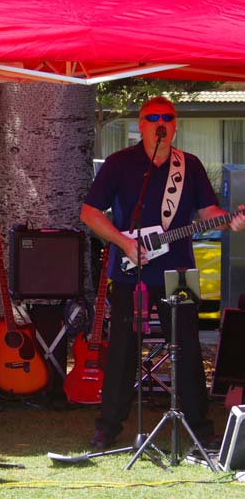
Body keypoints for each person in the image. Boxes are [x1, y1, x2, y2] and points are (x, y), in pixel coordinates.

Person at [81, 96, 245, 450]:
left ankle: (200, 429)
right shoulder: (120, 163)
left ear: (176, 125)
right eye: (153, 117)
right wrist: (124, 242)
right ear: (141, 125)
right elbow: (89, 212)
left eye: (168, 118)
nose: (161, 123)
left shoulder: (190, 165)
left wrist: (230, 219)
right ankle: (108, 428)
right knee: (122, 350)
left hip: (178, 270)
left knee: (186, 347)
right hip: (130, 271)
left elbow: (208, 212)